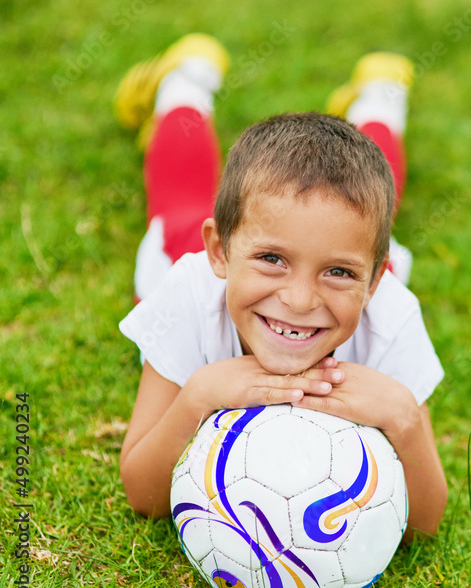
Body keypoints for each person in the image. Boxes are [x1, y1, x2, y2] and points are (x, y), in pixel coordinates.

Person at [115, 34, 447, 540]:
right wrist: (196, 398)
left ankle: (379, 101)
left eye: (338, 272)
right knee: (179, 198)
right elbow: (143, 495)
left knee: (371, 201)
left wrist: (404, 421)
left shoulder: (389, 316)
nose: (298, 299)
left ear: (377, 280)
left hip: (344, 249)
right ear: (220, 251)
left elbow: (423, 526)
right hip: (187, 244)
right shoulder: (187, 293)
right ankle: (182, 86)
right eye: (273, 260)